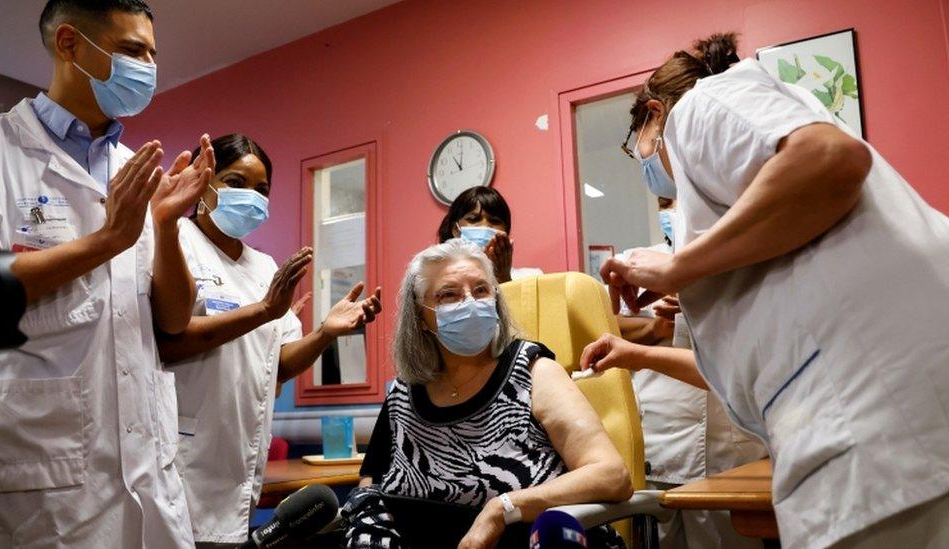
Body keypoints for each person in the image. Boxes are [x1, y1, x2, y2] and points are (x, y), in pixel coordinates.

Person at [594, 32, 949, 548]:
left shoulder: (698, 106)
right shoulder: (750, 187)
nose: (648, 162)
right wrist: (687, 270)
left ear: (654, 114)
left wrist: (677, 268)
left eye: (639, 146)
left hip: (884, 434)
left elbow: (828, 160)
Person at [0, 1, 215, 547]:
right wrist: (107, 241)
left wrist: (166, 225)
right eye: (133, 50)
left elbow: (173, 323)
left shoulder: (138, 170)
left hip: (148, 470)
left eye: (153, 53)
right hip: (40, 476)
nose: (149, 66)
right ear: (69, 45)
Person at [156, 134, 382, 547]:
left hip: (237, 456)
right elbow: (167, 341)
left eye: (261, 190)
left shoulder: (264, 267)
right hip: (180, 452)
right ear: (203, 182)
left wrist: (324, 333)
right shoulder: (176, 242)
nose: (251, 197)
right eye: (235, 182)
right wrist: (262, 311)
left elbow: (279, 363)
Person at [349, 239, 631, 548]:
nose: (470, 303)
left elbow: (612, 475)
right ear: (420, 316)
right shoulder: (404, 392)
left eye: (481, 290)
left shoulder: (534, 371)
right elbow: (371, 486)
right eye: (449, 295)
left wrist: (503, 508)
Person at [607, 199, 767, 549]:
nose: (674, 210)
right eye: (666, 203)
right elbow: (609, 329)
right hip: (660, 438)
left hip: (728, 446)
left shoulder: (746, 263)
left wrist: (702, 305)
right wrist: (660, 327)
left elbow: (761, 338)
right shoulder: (636, 261)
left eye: (683, 200)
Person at [436, 187, 542, 283]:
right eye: (473, 219)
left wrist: (503, 278)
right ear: (456, 230)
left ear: (506, 231)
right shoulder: (438, 280)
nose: (485, 226)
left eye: (495, 221)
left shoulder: (531, 278)